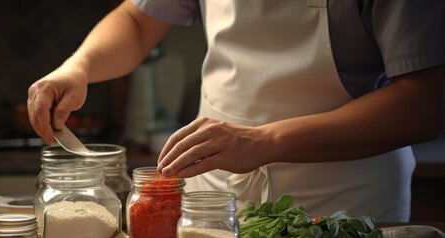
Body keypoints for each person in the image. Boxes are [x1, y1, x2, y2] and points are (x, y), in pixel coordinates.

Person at [27, 0, 445, 222]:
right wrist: (78, 67)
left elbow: (427, 100)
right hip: (214, 195)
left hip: (343, 202)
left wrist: (266, 140)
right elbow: (136, 23)